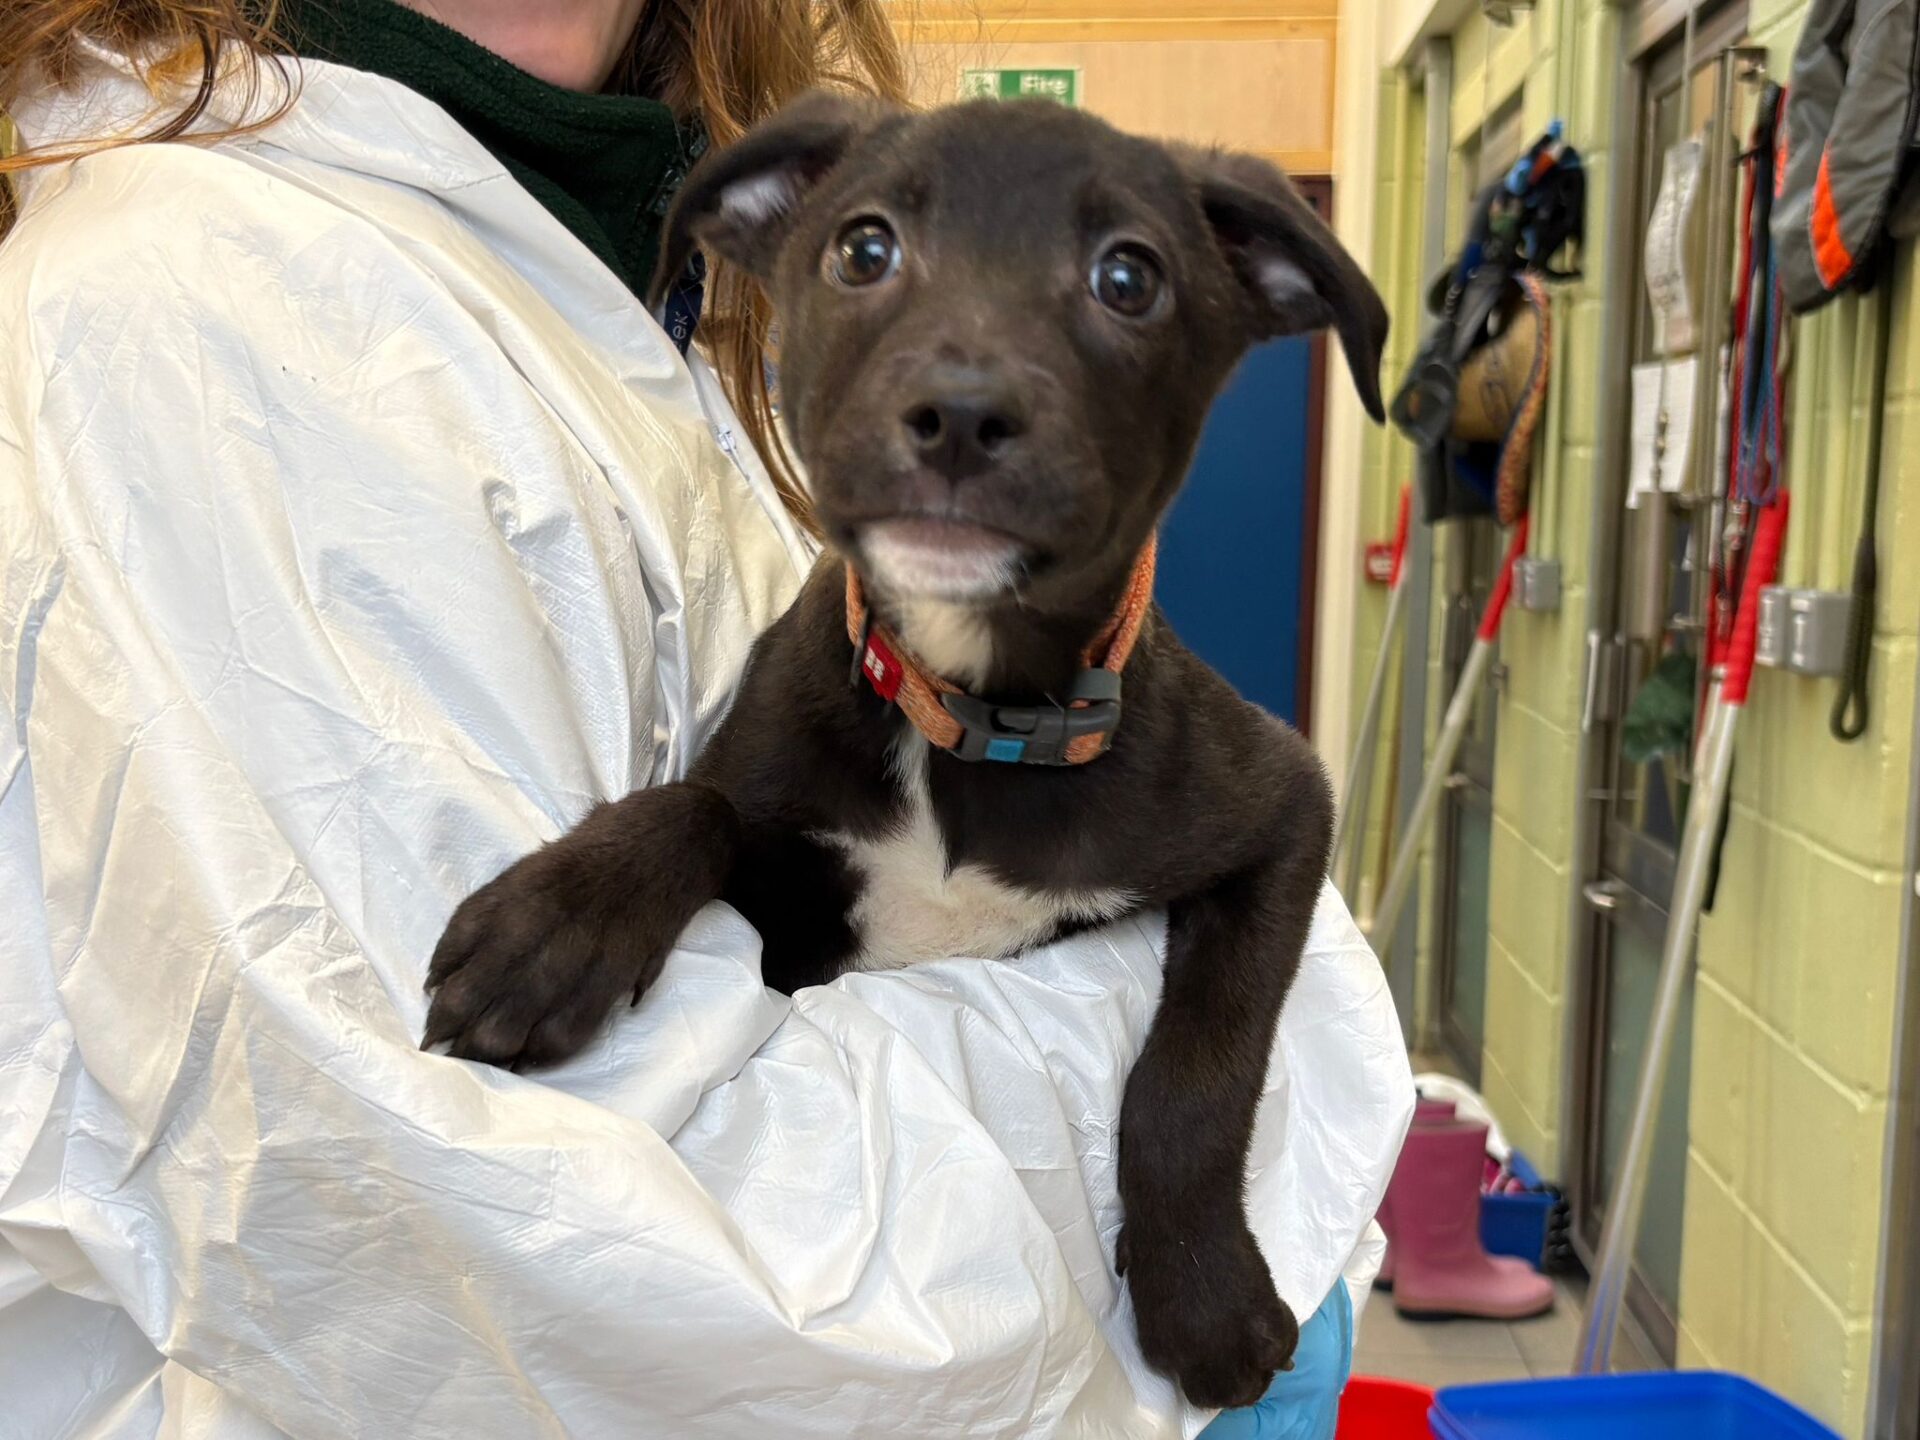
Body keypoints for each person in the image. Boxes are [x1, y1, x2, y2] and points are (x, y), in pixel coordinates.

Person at [0, 3, 1412, 1436]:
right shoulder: (174, 305)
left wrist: (1189, 1154)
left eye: (1121, 278)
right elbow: (529, 1228)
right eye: (870, 255)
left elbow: (1274, 818)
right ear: (757, 231)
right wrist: (1244, 1079)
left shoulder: (619, 254)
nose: (966, 388)